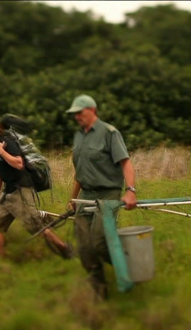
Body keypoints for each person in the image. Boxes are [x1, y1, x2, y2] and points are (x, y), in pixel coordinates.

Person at [65, 95, 137, 300]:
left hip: (108, 193)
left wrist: (130, 191)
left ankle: (129, 266)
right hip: (86, 194)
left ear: (92, 110)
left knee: (98, 241)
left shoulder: (109, 133)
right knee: (84, 247)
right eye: (74, 114)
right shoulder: (78, 136)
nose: (77, 116)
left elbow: (126, 163)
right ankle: (99, 290)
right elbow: (79, 172)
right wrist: (73, 198)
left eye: (80, 112)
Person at [0, 116, 73, 259]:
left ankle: (64, 248)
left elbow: (19, 164)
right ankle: (0, 261)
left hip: (21, 191)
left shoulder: (7, 143)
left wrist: (1, 151)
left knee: (36, 227)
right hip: (7, 194)